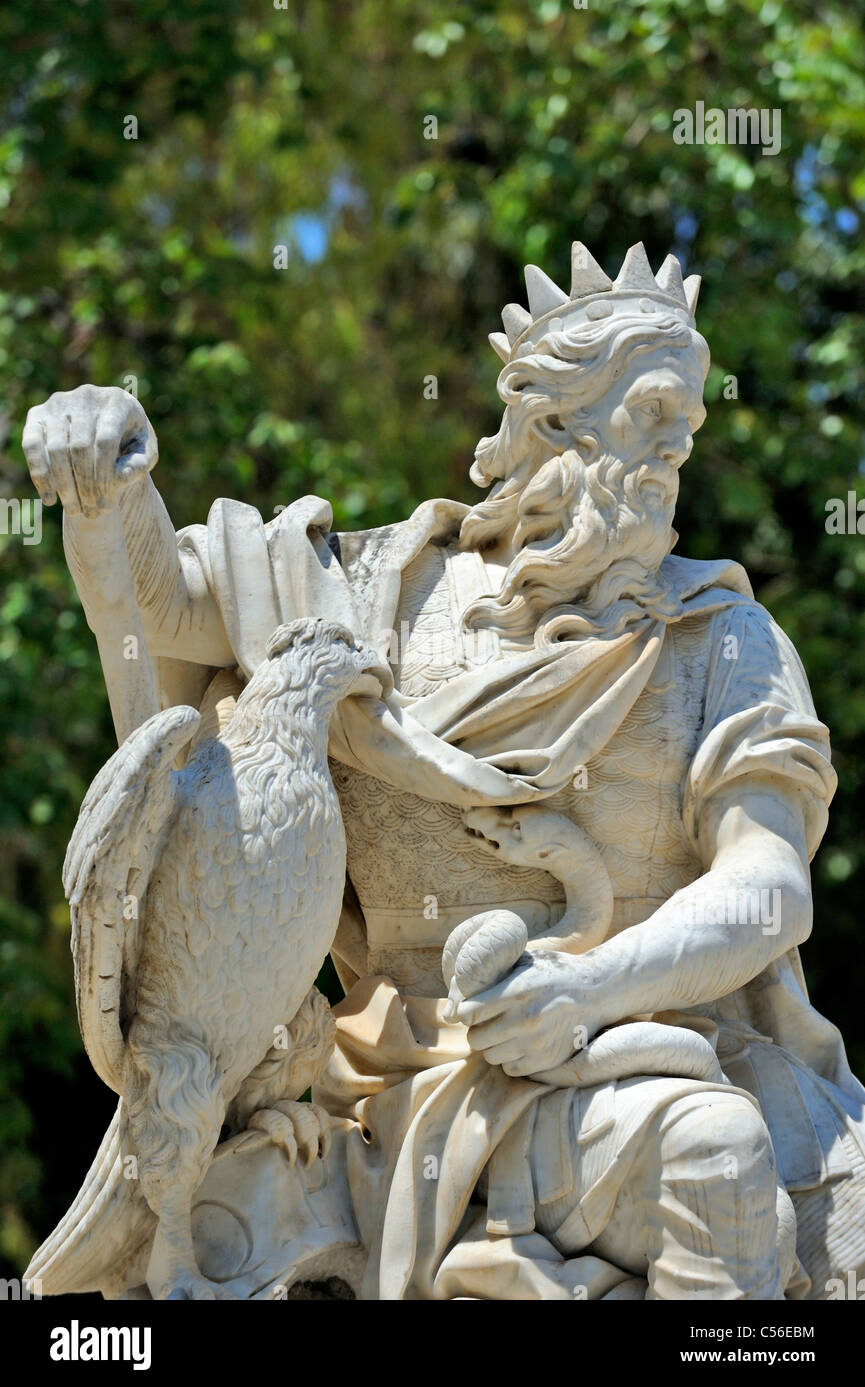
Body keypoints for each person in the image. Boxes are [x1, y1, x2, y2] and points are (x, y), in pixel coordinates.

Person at [24, 241, 865, 1300]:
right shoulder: (372, 592)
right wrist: (104, 478)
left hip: (615, 1059)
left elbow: (768, 888)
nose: (676, 448)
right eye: (653, 413)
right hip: (372, 1078)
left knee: (721, 1153)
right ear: (551, 418)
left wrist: (588, 986)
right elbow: (158, 610)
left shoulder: (725, 639)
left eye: (688, 424)